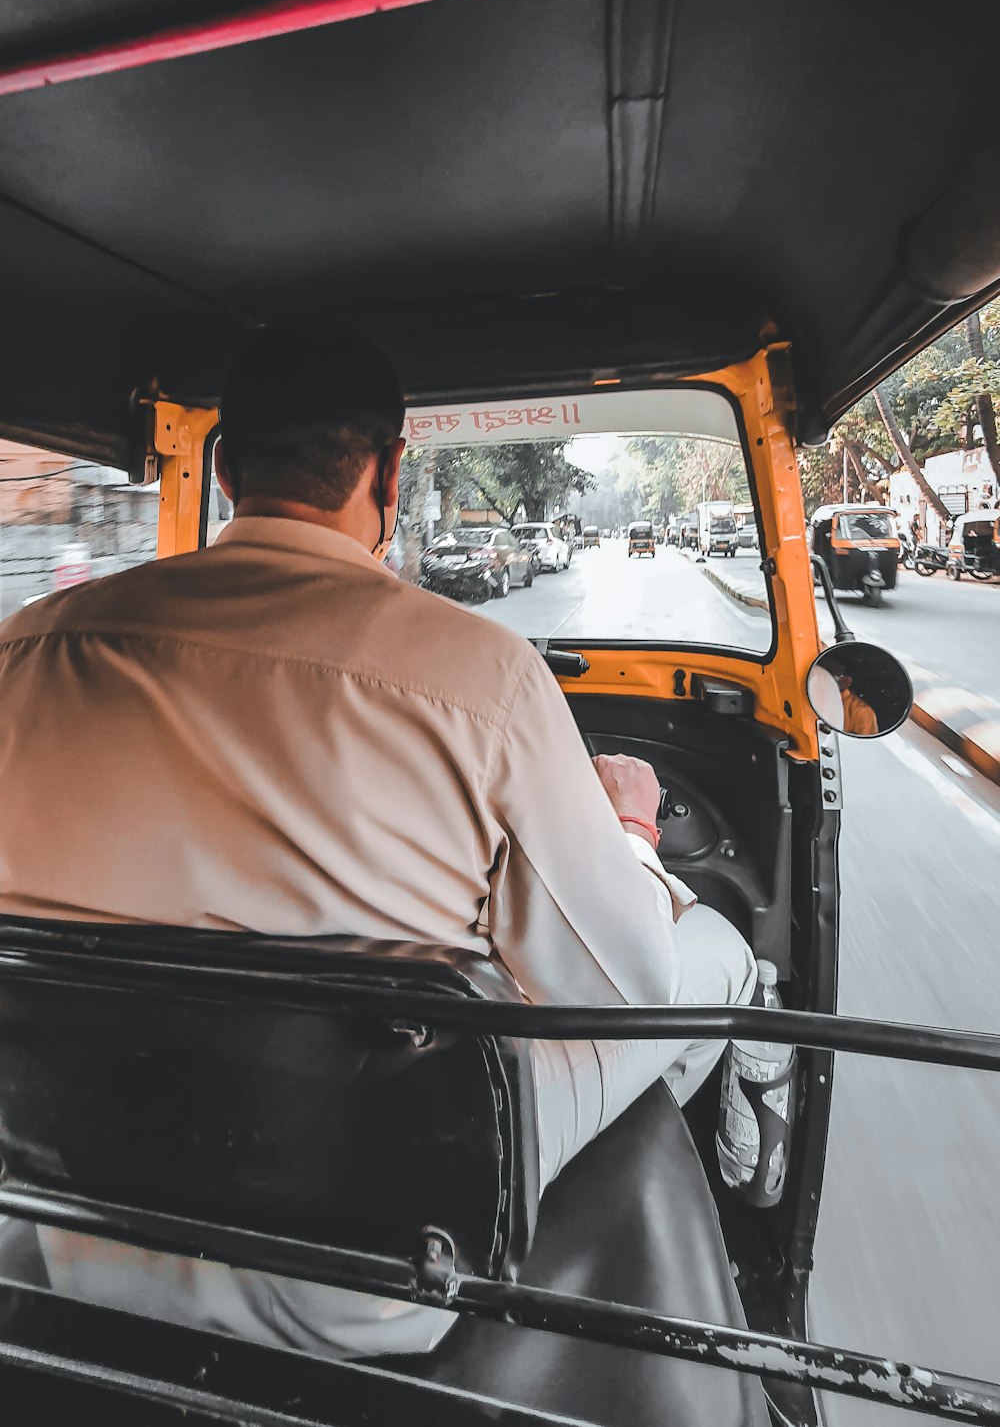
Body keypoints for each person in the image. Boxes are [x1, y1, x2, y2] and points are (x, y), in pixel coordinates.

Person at [0, 321, 756, 1361]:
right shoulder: (475, 673)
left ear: (224, 470)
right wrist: (628, 825)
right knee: (708, 952)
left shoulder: (31, 646)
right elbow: (620, 982)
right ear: (391, 472)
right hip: (374, 1277)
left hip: (89, 1231)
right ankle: (716, 1181)